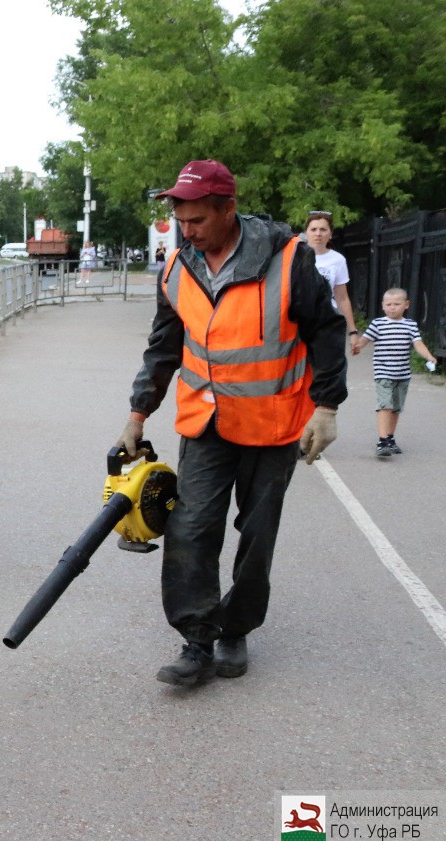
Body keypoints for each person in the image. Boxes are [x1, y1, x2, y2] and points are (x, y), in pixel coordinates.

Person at [116, 160, 348, 686]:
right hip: (205, 421)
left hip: (273, 422)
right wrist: (137, 414)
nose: (188, 230)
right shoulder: (177, 269)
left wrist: (327, 408)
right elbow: (163, 348)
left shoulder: (288, 261)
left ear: (228, 209)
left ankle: (235, 627)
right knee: (191, 527)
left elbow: (327, 333)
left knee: (255, 533)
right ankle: (196, 637)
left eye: (197, 220)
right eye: (181, 220)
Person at [352, 287, 439, 456]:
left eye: (397, 304)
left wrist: (429, 356)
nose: (392, 307)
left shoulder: (410, 325)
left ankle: (390, 438)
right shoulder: (378, 323)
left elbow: (418, 343)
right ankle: (382, 441)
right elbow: (366, 339)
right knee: (385, 405)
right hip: (383, 372)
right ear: (383, 306)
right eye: (389, 304)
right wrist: (358, 347)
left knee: (396, 408)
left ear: (406, 305)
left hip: (403, 374)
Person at [303, 211, 357, 339]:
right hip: (301, 321)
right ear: (306, 233)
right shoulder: (295, 256)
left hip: (327, 320)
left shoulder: (337, 260)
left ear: (330, 234)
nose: (318, 233)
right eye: (313, 229)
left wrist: (353, 332)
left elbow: (342, 298)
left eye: (323, 229)